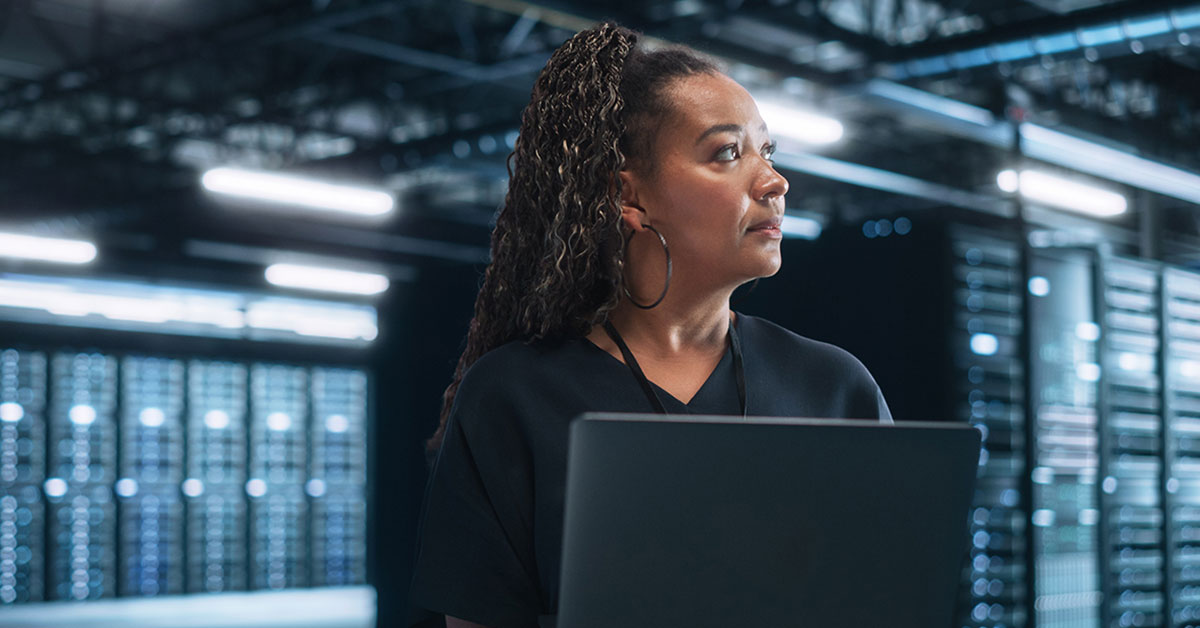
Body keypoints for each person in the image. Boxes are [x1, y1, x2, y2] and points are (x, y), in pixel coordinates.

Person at [407, 22, 892, 628]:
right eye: (727, 153)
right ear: (628, 197)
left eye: (767, 153)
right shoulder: (513, 397)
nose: (774, 182)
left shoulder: (834, 386)